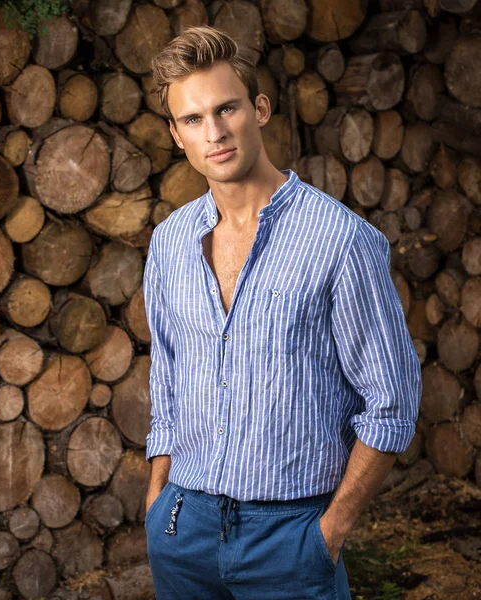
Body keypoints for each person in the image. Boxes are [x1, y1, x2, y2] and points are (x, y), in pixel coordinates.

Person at [142, 25, 421, 600]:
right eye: (193, 120)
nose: (214, 133)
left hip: (291, 538)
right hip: (181, 531)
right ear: (176, 135)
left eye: (227, 109)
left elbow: (392, 399)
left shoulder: (341, 240)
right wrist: (158, 502)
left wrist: (329, 530)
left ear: (260, 109)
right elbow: (167, 380)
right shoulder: (169, 243)